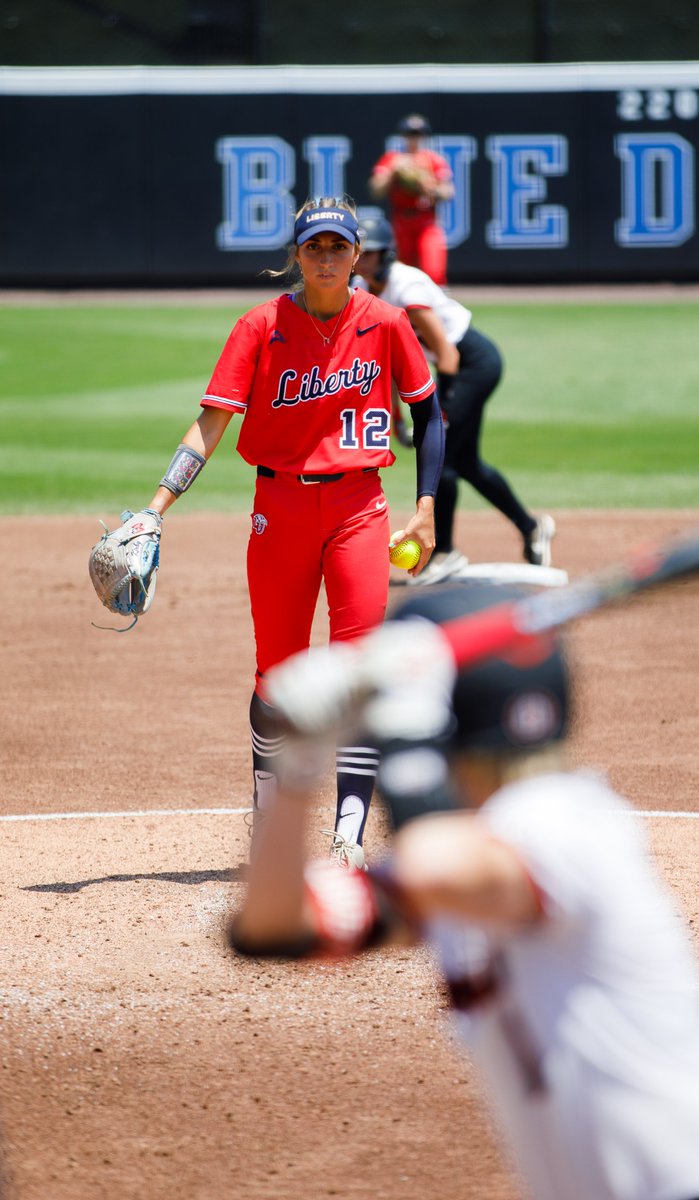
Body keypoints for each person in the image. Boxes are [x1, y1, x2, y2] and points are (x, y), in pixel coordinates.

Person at [230, 581, 699, 1200]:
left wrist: (403, 732)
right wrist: (297, 770)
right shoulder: (472, 859)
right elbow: (270, 928)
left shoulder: (564, 821)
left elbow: (430, 865)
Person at [117, 196, 444, 869]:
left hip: (360, 508)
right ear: (294, 255)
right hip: (279, 511)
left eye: (338, 247)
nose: (326, 258)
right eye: (314, 247)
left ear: (358, 255)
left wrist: (428, 505)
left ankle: (348, 833)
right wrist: (156, 506)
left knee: (358, 673)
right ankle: (273, 827)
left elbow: (430, 415)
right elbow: (210, 424)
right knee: (277, 678)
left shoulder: (385, 323)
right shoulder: (259, 326)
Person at [355, 213, 555, 585]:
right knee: (467, 464)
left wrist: (439, 413)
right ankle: (531, 527)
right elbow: (382, 361)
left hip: (474, 364)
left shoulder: (406, 288)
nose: (362, 259)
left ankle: (445, 551)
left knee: (442, 458)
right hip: (456, 368)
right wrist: (397, 418)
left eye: (370, 252)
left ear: (386, 254)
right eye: (358, 252)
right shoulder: (363, 290)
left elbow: (447, 355)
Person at [368, 113, 454, 286]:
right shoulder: (393, 159)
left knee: (434, 271)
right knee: (401, 272)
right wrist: (393, 172)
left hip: (426, 220)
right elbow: (375, 189)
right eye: (410, 133)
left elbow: (448, 191)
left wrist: (428, 187)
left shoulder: (433, 159)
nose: (414, 138)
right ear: (403, 135)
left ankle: (438, 309)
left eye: (418, 133)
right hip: (402, 221)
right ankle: (404, 311)